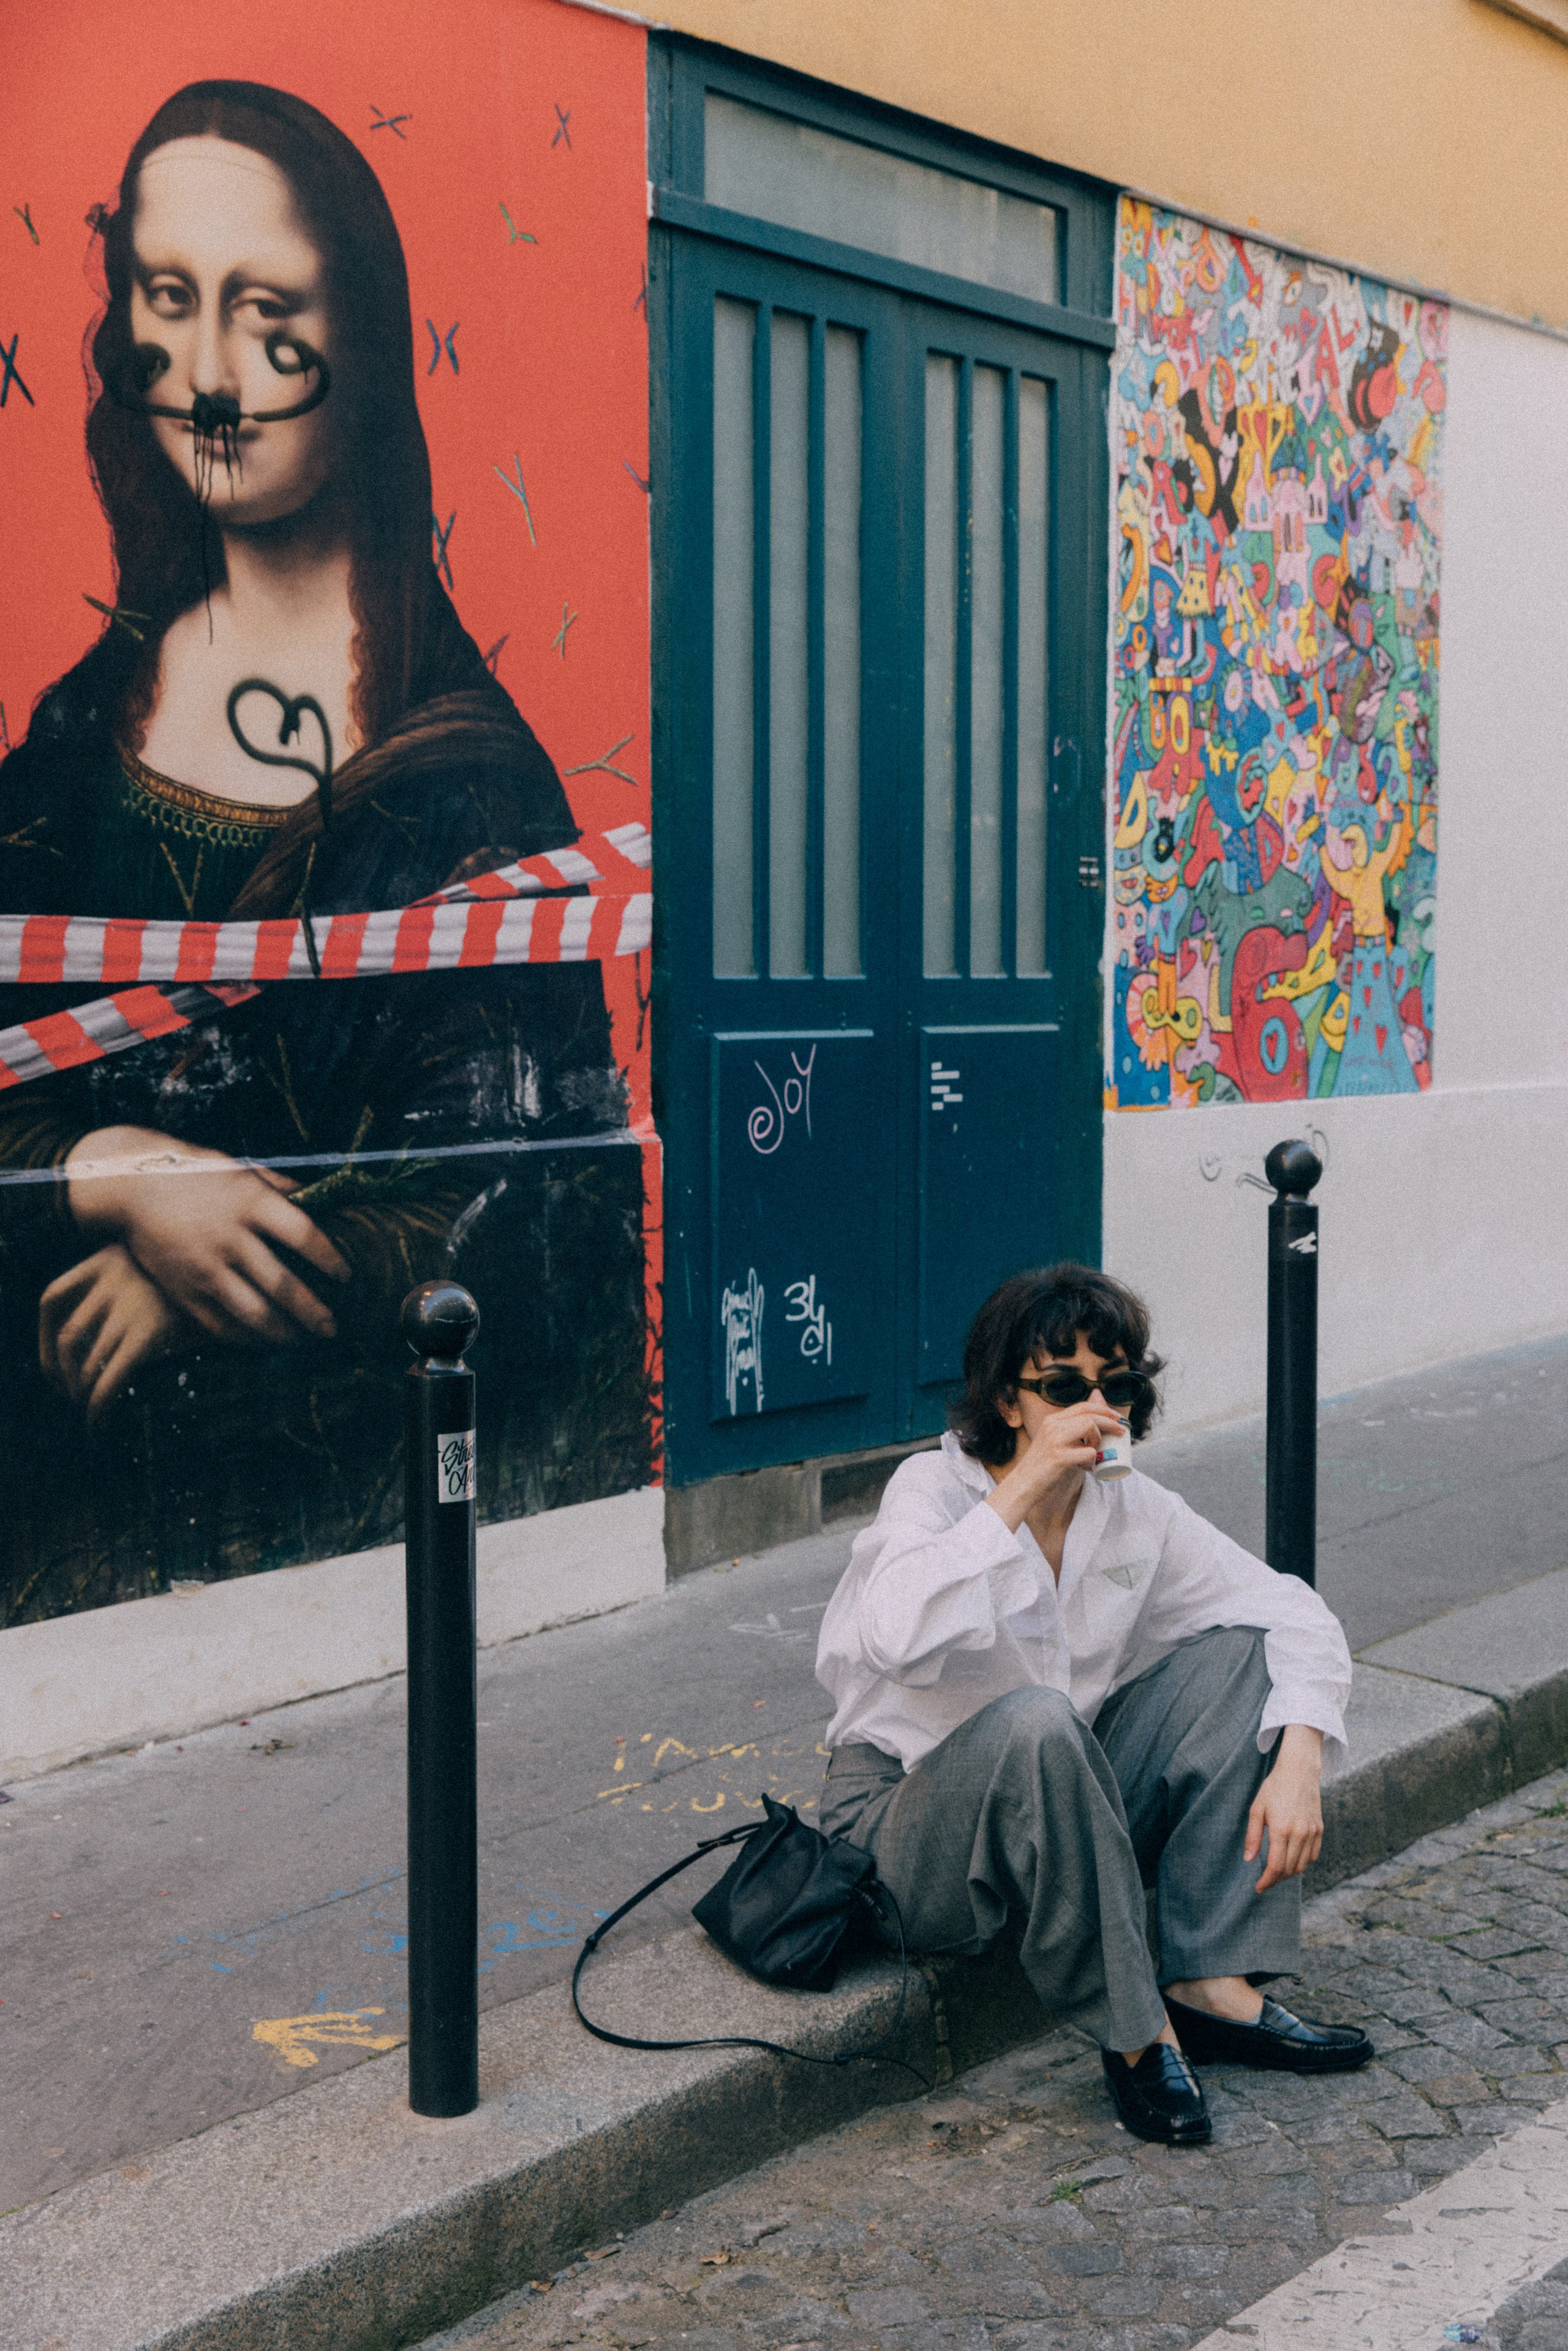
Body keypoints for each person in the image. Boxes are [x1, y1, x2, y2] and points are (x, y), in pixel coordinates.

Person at [0, 83, 648, 1623]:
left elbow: (516, 1207)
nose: (213, 375)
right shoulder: (80, 729)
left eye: (266, 310)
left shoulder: (465, 781)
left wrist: (221, 1268)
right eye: (171, 300)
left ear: (356, 337)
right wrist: (109, 1173)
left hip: (308, 1543)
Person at [815, 1264, 1368, 2146]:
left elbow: (1291, 1610)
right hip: (903, 1823)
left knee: (1244, 1653)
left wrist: (1300, 1753)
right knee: (1038, 1717)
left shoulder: (1132, 1506)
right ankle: (1138, 2032)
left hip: (1058, 1791)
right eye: (1062, 1386)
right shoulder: (934, 1490)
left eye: (1115, 1384)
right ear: (1007, 1400)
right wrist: (1019, 1491)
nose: (1093, 1406)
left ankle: (1211, 1985)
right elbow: (890, 1635)